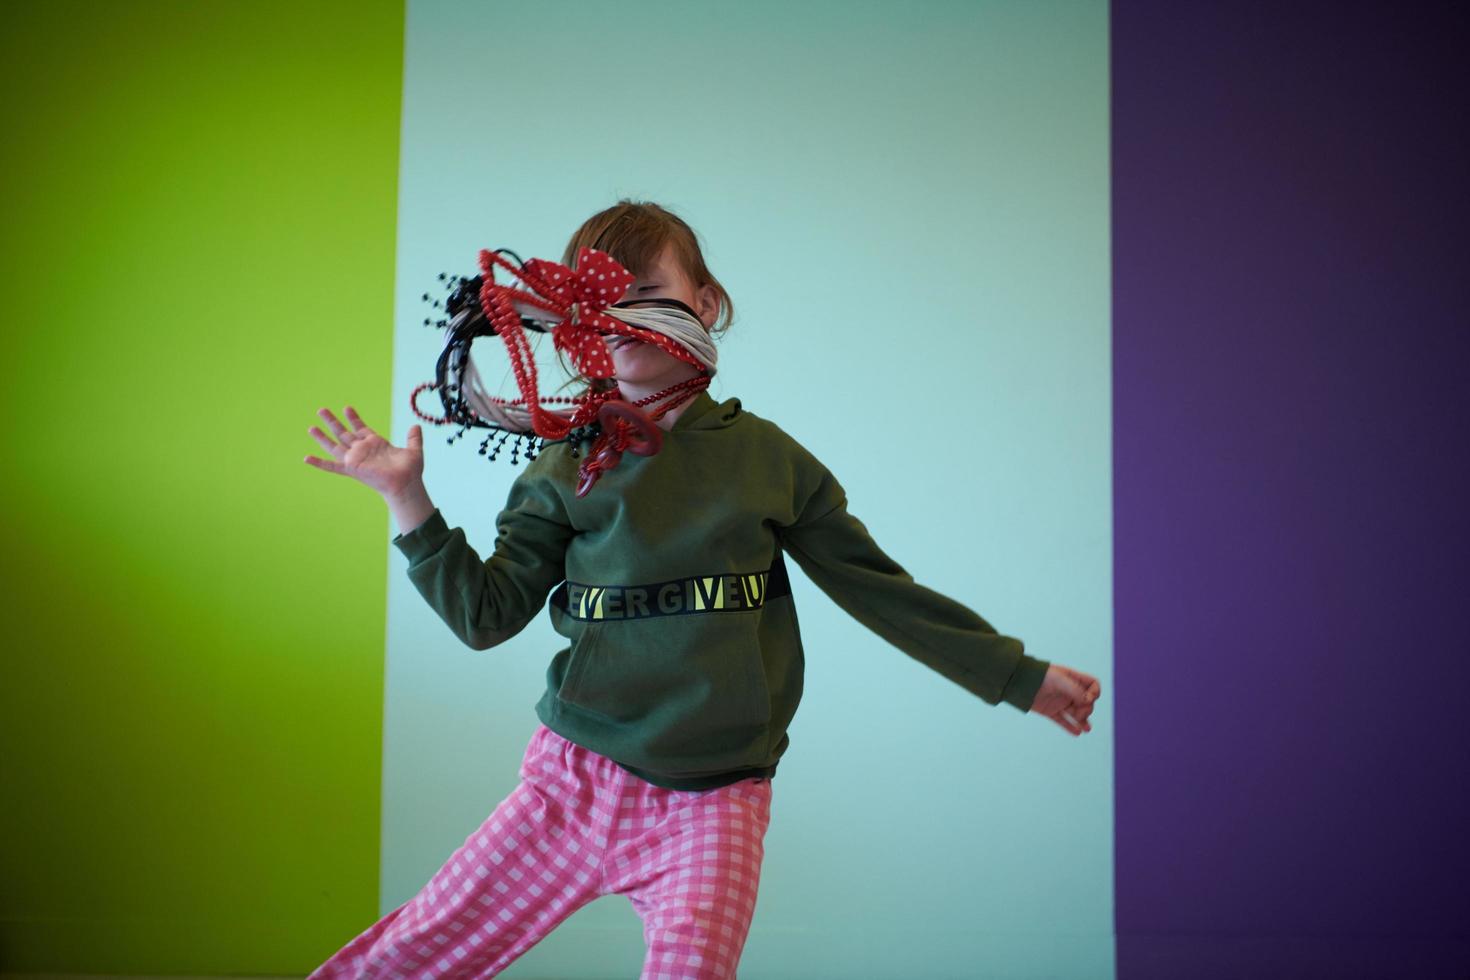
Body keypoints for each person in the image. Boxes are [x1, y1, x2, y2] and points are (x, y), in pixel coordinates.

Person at [301, 200, 1101, 979]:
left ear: (705, 304)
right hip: (572, 783)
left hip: (716, 801)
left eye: (645, 298)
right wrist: (408, 502)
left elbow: (881, 591)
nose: (621, 321)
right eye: (597, 305)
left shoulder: (771, 464)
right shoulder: (562, 467)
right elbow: (485, 617)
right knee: (417, 951)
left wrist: (1021, 679)